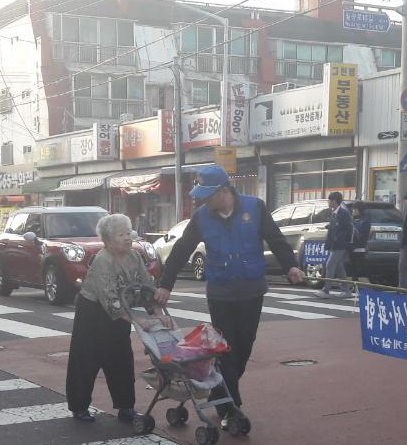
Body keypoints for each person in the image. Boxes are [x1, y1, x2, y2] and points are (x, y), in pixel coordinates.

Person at [156, 165, 305, 424]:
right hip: (220, 293)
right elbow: (181, 250)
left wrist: (291, 266)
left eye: (207, 194)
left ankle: (219, 393)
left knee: (243, 349)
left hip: (251, 290)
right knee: (226, 351)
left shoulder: (255, 208)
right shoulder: (202, 217)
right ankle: (231, 408)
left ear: (224, 191)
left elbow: (277, 240)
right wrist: (166, 284)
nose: (203, 200)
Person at [65, 214, 154, 423]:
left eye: (128, 233)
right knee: (86, 360)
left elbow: (146, 287)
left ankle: (126, 407)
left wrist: (157, 312)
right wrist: (138, 322)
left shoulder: (135, 256)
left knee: (122, 359)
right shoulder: (103, 260)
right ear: (108, 240)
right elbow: (110, 301)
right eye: (120, 234)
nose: (127, 238)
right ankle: (79, 407)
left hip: (121, 313)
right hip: (93, 314)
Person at [317, 191, 353, 298]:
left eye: (329, 200)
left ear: (334, 201)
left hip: (340, 245)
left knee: (330, 265)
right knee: (338, 267)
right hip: (333, 244)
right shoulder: (334, 212)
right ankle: (346, 290)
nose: (328, 202)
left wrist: (340, 238)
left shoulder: (344, 213)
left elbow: (349, 229)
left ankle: (326, 290)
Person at [349, 201, 369, 285]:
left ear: (357, 210)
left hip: (359, 248)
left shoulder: (364, 220)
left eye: (353, 209)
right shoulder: (355, 219)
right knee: (353, 268)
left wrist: (352, 224)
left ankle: (360, 285)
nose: (352, 211)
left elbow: (359, 232)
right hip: (352, 247)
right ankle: (354, 284)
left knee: (358, 269)